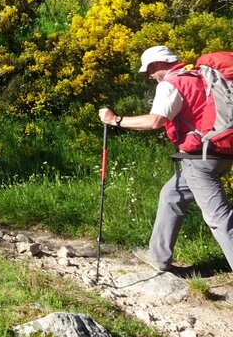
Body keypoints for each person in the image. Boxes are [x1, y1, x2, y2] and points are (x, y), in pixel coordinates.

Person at [98, 45, 233, 272]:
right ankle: (158, 256)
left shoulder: (172, 83)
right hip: (221, 152)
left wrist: (115, 120)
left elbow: (154, 121)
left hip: (200, 158)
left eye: (149, 70)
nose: (149, 76)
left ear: (159, 64)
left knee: (218, 218)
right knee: (171, 195)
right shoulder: (199, 76)